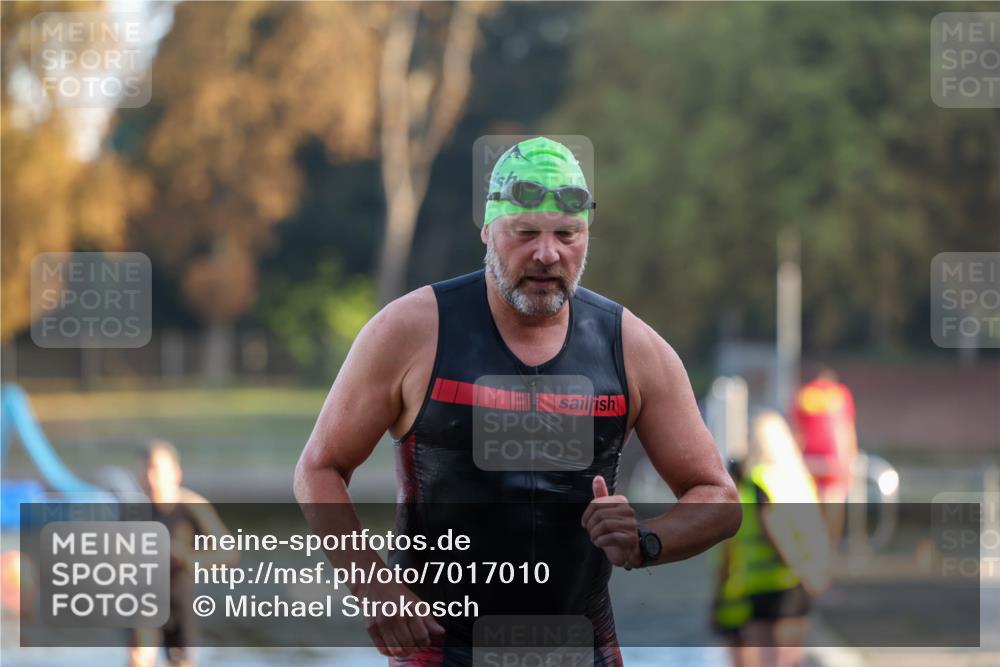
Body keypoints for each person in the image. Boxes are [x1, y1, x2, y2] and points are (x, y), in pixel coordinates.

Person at [294, 136, 741, 665]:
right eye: (525, 232)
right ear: (487, 230)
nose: (547, 254)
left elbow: (718, 498)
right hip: (443, 650)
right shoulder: (412, 330)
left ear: (586, 236)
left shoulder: (631, 347)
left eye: (567, 235)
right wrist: (372, 584)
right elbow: (319, 468)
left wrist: (645, 541)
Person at [713, 411, 831, 667]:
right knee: (791, 660)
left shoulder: (757, 482)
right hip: (798, 580)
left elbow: (772, 531)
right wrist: (812, 572)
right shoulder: (800, 480)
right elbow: (815, 529)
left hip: (764, 584)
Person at [129, 439, 235, 667]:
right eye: (145, 470)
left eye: (156, 470)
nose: (150, 478)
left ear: (175, 473)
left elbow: (229, 553)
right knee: (138, 659)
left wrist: (189, 558)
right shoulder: (133, 509)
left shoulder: (192, 507)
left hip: (180, 602)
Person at [791, 367, 858, 544]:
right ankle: (830, 544)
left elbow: (798, 431)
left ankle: (814, 543)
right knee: (833, 502)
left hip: (809, 458)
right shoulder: (840, 394)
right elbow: (846, 429)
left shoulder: (803, 394)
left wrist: (794, 460)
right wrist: (850, 460)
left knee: (811, 503)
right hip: (834, 459)